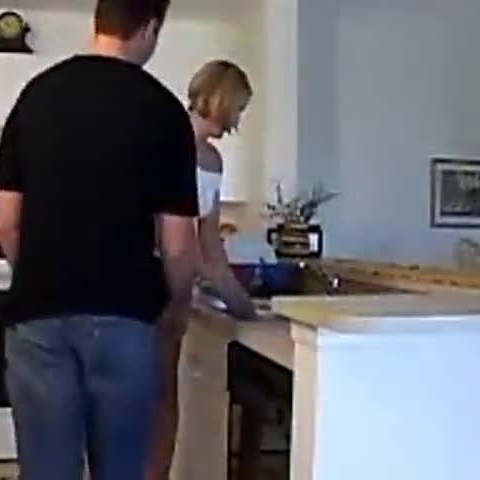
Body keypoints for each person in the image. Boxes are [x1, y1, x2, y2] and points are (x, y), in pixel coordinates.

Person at [0, 1, 200, 479]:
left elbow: (7, 222)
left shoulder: (37, 96)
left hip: (39, 317)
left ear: (98, 22)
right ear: (150, 28)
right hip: (125, 318)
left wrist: (37, 275)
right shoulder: (163, 110)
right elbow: (178, 244)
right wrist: (177, 308)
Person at [146, 60, 264, 480]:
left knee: (156, 398)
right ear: (223, 100)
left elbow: (209, 248)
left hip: (164, 287)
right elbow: (188, 244)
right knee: (150, 400)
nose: (238, 120)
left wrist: (245, 309)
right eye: (239, 108)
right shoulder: (164, 143)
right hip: (149, 286)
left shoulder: (209, 159)